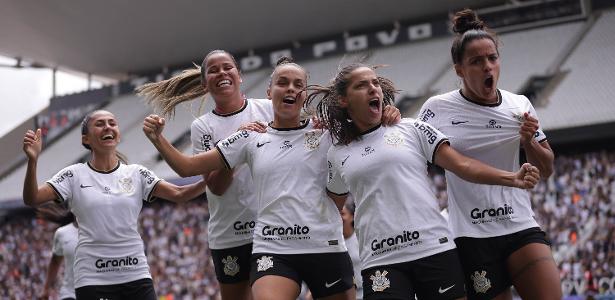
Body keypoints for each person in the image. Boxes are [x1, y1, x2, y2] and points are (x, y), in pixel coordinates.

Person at [144, 57, 402, 300]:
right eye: (282, 83)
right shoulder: (249, 137)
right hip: (274, 249)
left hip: (325, 245)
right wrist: (158, 139)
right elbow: (188, 167)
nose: (290, 89)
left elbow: (370, 125)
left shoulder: (327, 131)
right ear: (269, 93)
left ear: (305, 95)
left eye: (298, 85)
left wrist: (390, 115)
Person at [310, 63, 541, 300]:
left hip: (434, 248)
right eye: (361, 86)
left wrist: (512, 177)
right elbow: (331, 206)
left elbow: (462, 165)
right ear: (343, 100)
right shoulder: (336, 153)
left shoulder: (411, 128)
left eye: (375, 83)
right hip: (381, 260)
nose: (373, 89)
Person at [417, 9, 562, 300]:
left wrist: (529, 143)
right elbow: (415, 160)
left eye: (492, 58)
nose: (487, 67)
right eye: (476, 61)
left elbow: (546, 169)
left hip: (519, 223)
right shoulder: (436, 108)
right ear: (459, 69)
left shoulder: (519, 105)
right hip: (471, 234)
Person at [22, 110, 207, 300]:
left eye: (112, 123)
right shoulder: (73, 175)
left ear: (118, 134)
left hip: (135, 273)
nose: (108, 127)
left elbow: (179, 194)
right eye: (100, 124)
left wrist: (213, 178)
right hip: (93, 278)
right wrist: (32, 161)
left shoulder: (137, 173)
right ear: (86, 139)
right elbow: (32, 198)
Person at [137, 49, 273, 300]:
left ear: (239, 75)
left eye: (227, 67)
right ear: (204, 83)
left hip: (270, 229)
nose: (222, 72)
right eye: (213, 70)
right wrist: (236, 144)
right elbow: (217, 186)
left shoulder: (267, 109)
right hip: (229, 234)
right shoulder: (203, 126)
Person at [38, 205, 78, 300]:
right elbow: (55, 261)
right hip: (70, 294)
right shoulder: (62, 233)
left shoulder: (101, 231)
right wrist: (46, 288)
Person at [340, 199, 363, 300]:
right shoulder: (333, 242)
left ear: (352, 216)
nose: (339, 217)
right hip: (343, 294)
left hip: (364, 291)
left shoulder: (361, 237)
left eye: (343, 214)